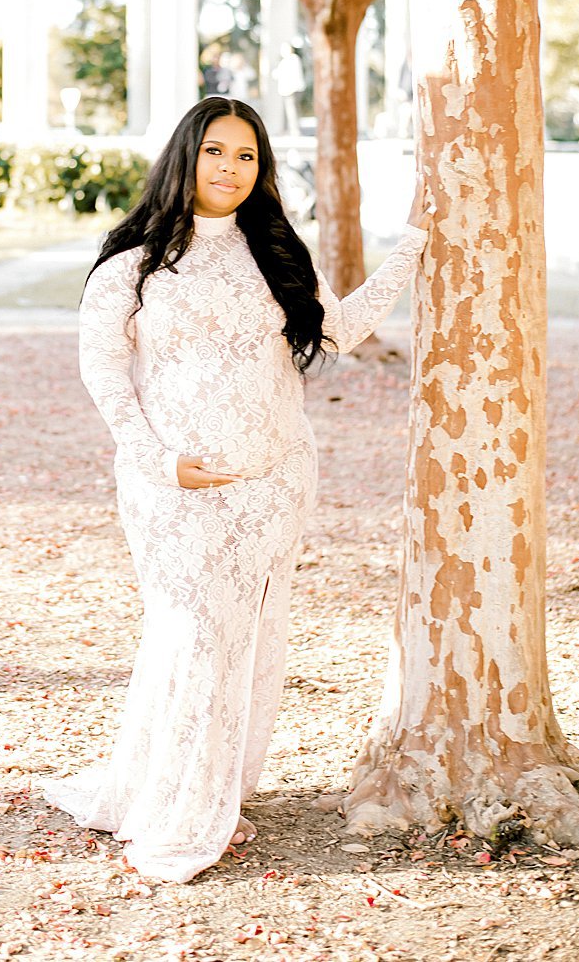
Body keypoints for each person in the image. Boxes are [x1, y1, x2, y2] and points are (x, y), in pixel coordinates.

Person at [40, 95, 428, 882]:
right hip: (173, 489)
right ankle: (176, 802)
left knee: (244, 640)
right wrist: (159, 461)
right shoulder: (133, 262)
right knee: (193, 635)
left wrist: (412, 247)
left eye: (246, 157)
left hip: (274, 483)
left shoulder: (275, 254)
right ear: (186, 156)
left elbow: (339, 330)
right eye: (216, 151)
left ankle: (209, 787)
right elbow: (105, 374)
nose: (230, 168)